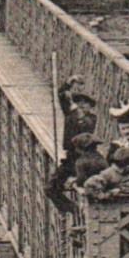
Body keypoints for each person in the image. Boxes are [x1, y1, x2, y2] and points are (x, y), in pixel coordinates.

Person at [46, 76, 98, 211]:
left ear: (90, 106)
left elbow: (85, 126)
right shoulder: (71, 114)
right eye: (78, 101)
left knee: (85, 188)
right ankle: (71, 209)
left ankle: (85, 212)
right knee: (51, 188)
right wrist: (68, 83)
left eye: (85, 103)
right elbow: (61, 95)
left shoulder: (91, 119)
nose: (81, 104)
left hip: (85, 159)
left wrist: (75, 108)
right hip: (71, 158)